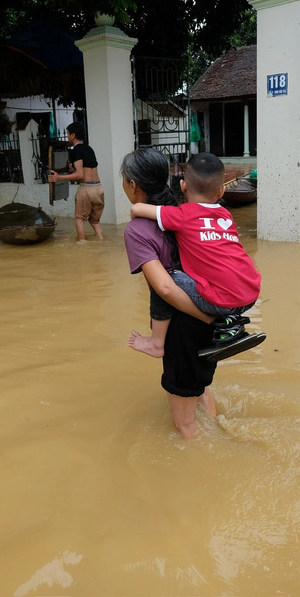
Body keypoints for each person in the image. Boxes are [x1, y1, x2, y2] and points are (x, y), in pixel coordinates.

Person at [120, 147, 218, 438]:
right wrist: (209, 316)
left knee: (185, 426)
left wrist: (201, 316)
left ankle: (206, 476)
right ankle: (222, 430)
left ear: (133, 185)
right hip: (208, 309)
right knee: (201, 391)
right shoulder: (181, 213)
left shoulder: (137, 230)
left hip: (182, 325)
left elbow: (163, 287)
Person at [129, 152, 263, 355]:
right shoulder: (226, 215)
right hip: (251, 293)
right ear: (221, 191)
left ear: (183, 186)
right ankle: (230, 323)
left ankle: (157, 342)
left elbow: (139, 208)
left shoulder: (181, 214)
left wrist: (134, 211)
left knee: (163, 278)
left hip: (221, 299)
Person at [48, 122, 104, 241]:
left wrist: (59, 177)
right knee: (94, 221)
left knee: (79, 219)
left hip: (86, 190)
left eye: (68, 134)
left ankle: (82, 247)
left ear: (73, 135)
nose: (67, 136)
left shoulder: (76, 151)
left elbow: (80, 174)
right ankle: (101, 241)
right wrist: (71, 169)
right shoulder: (89, 149)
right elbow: (86, 169)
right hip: (99, 189)